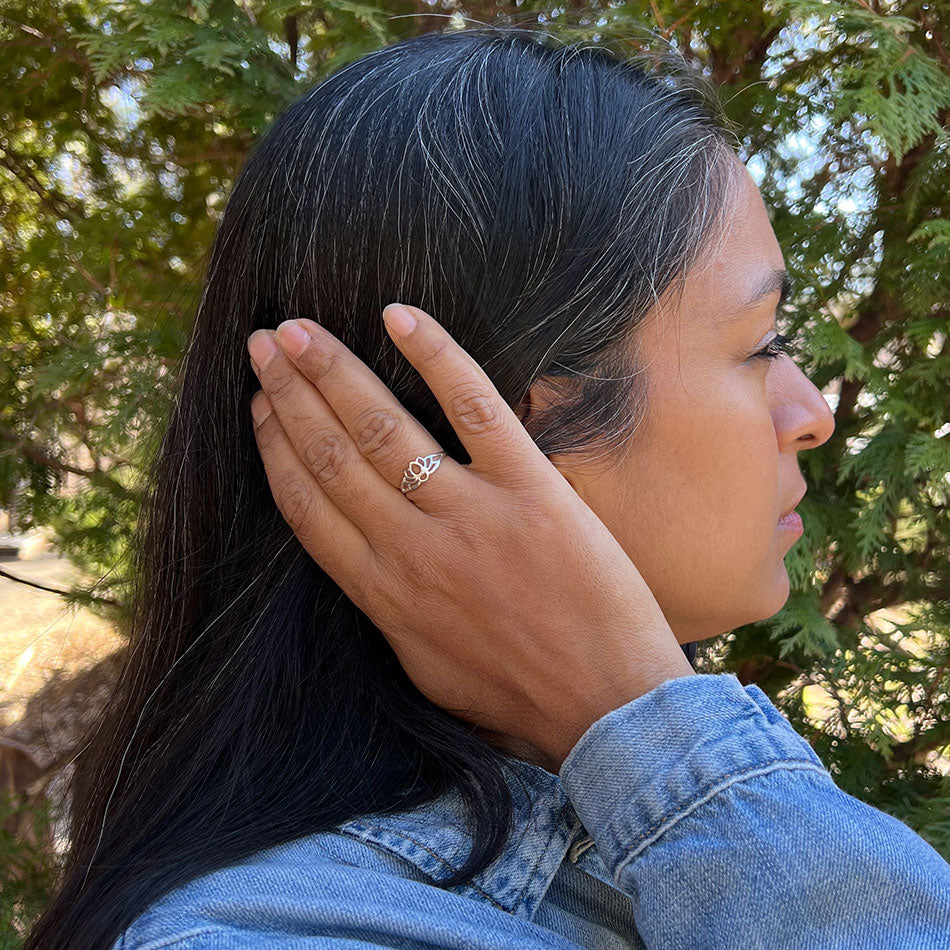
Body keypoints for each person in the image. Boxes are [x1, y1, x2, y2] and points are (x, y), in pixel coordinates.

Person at [26, 25, 950, 950]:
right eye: (759, 346)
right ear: (503, 426)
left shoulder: (622, 845)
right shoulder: (275, 934)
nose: (811, 412)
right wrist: (643, 724)